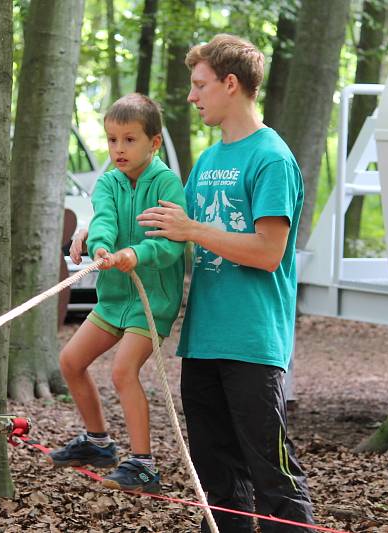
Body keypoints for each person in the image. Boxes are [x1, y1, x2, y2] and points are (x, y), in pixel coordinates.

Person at [136, 35, 315, 532]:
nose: (192, 97)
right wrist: (100, 231)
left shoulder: (272, 158)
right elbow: (167, 225)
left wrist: (193, 230)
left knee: (273, 477)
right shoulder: (210, 161)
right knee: (218, 483)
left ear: (230, 84)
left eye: (200, 85)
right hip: (203, 343)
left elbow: (268, 252)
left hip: (253, 344)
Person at [49, 93, 187, 494]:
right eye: (112, 140)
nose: (118, 149)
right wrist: (103, 247)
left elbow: (170, 243)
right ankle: (98, 443)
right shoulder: (108, 181)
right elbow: (103, 219)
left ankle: (143, 466)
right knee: (71, 361)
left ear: (153, 143)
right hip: (113, 299)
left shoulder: (166, 183)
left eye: (129, 140)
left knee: (123, 370)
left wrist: (135, 254)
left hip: (151, 301)